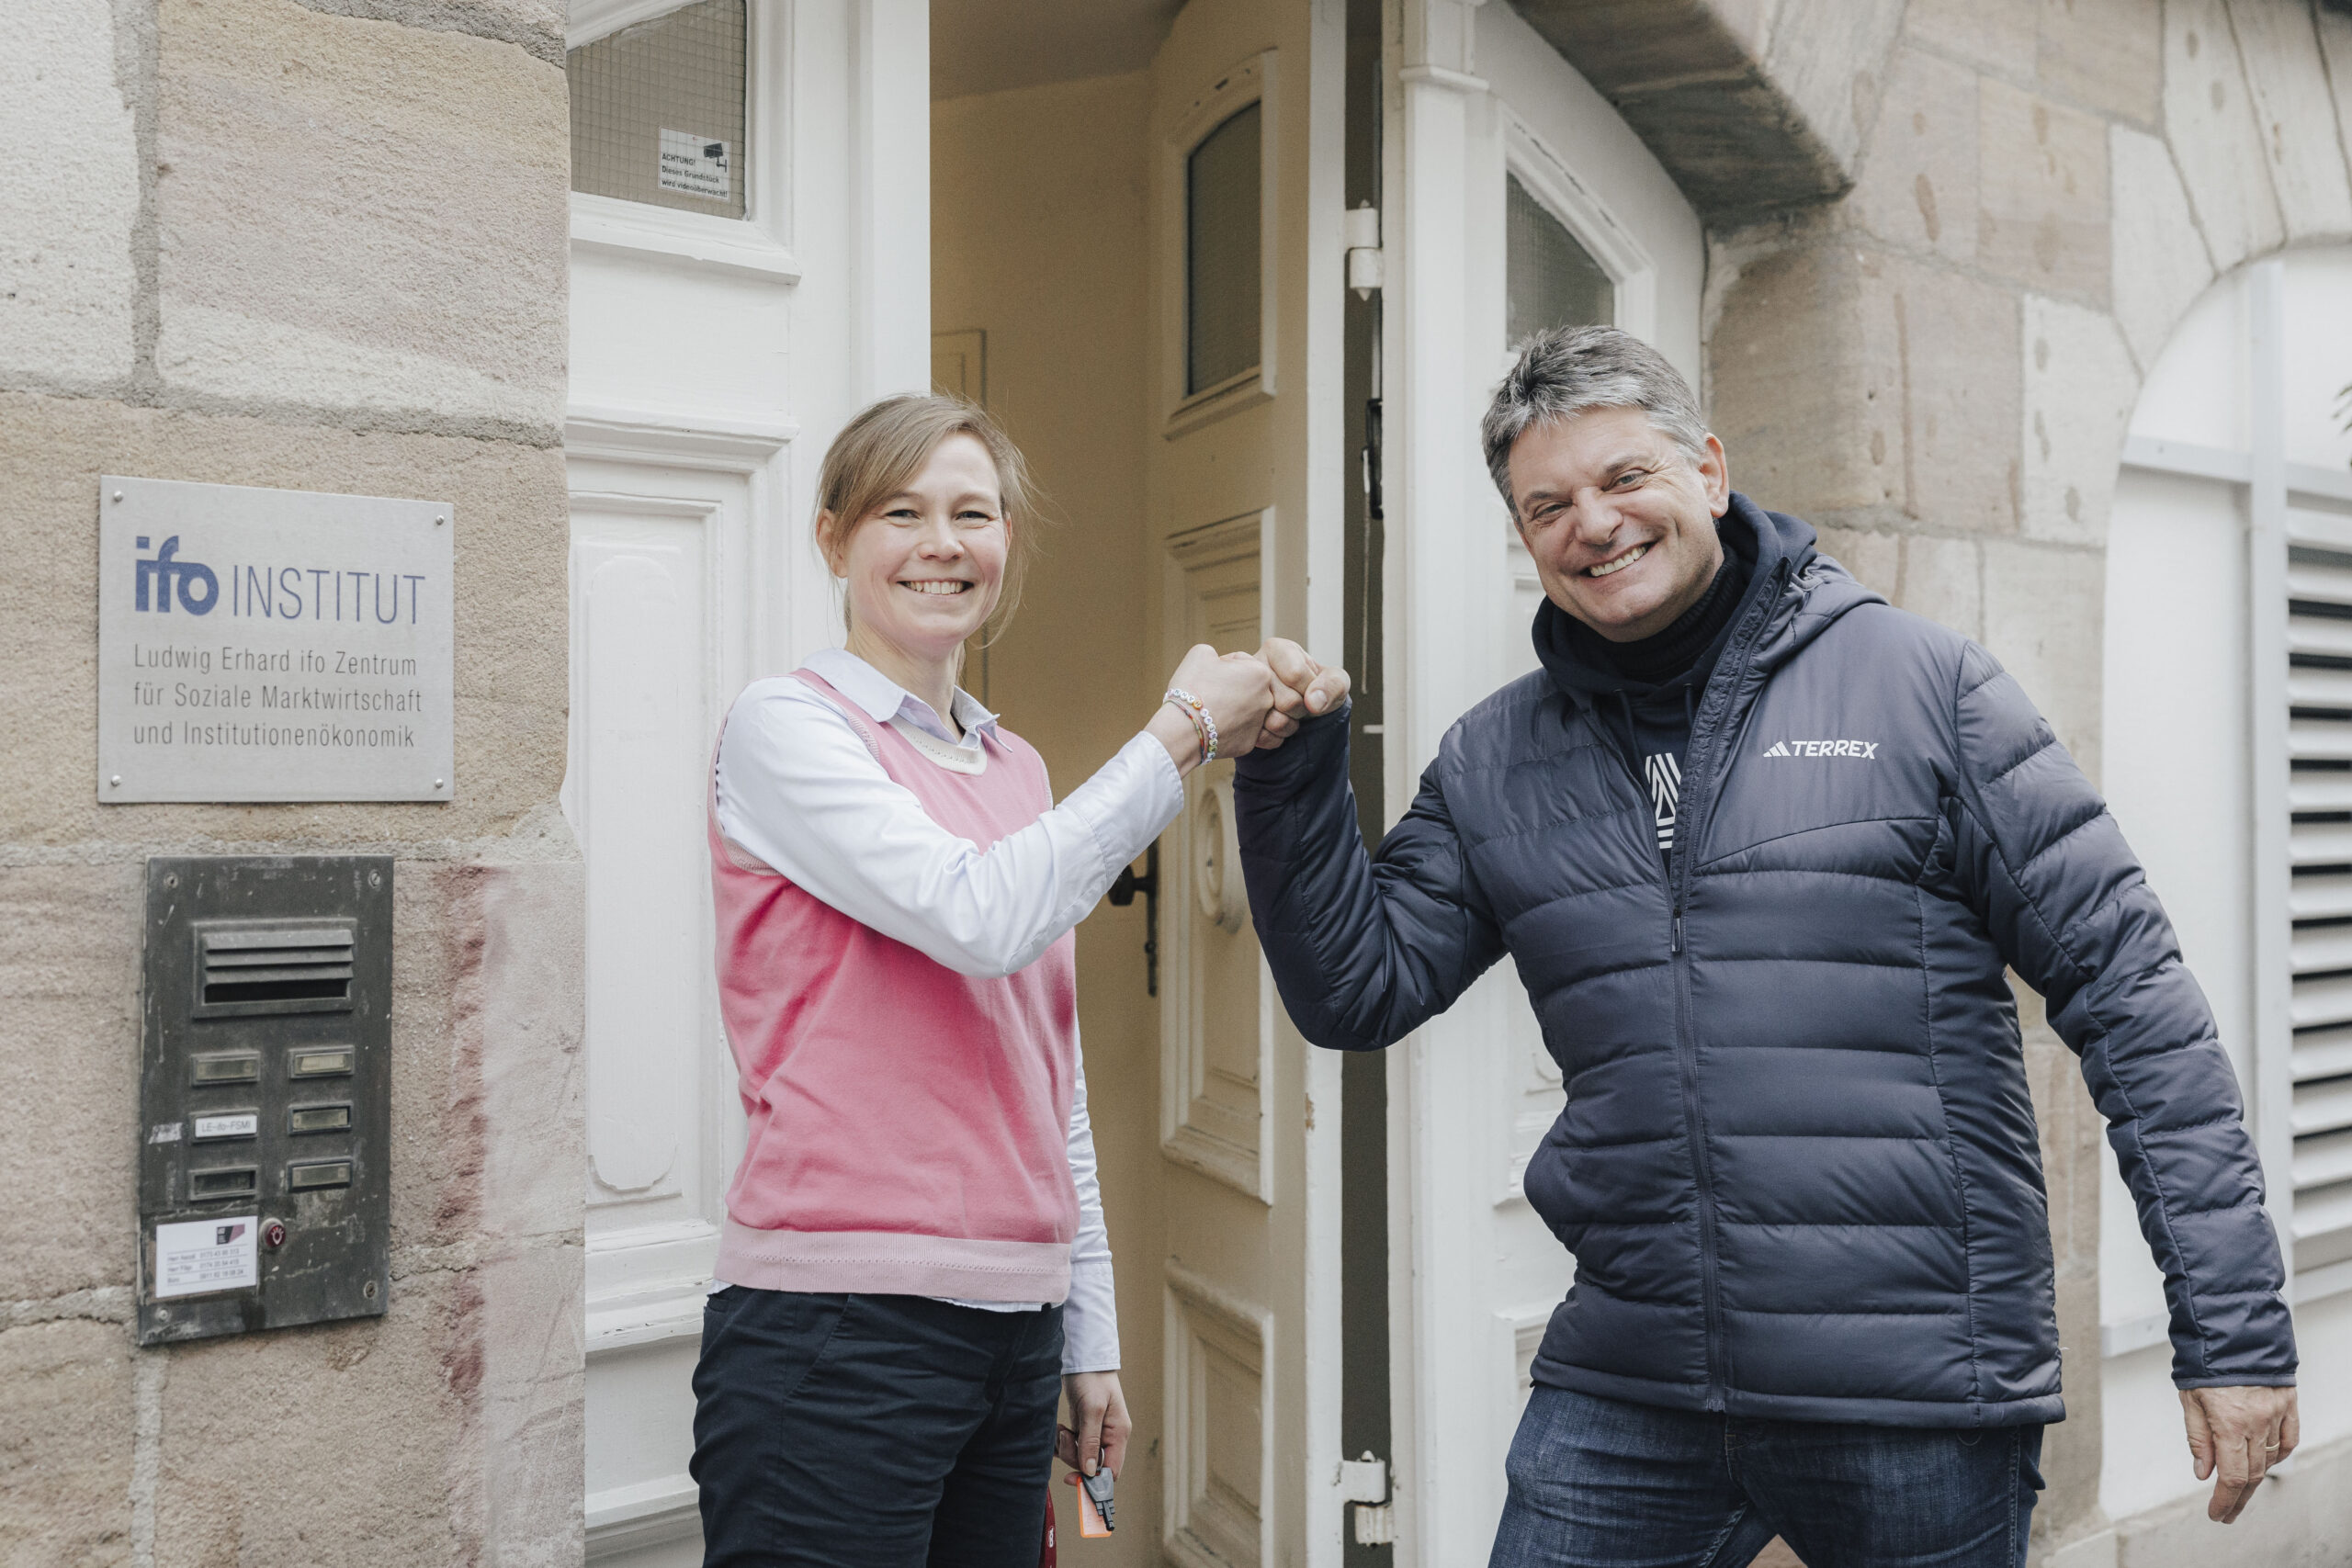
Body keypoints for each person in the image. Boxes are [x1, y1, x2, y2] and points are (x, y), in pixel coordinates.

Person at [1231, 326, 2300, 1568]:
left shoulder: (1922, 689)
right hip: (1633, 1378)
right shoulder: (1494, 757)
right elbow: (1356, 988)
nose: (1593, 523)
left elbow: (2135, 1002)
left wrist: (2232, 1331)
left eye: (1625, 477)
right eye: (1548, 505)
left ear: (1709, 470)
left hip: (1912, 1389)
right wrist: (1290, 775)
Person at [689, 392, 1281, 1566]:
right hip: (839, 1330)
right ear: (833, 539)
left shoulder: (1017, 767)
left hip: (1016, 1330)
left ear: (1007, 539)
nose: (942, 544)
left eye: (973, 513)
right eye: (900, 513)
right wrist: (1182, 733)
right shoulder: (786, 727)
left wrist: (1085, 1333)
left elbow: (1048, 1076)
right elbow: (981, 915)